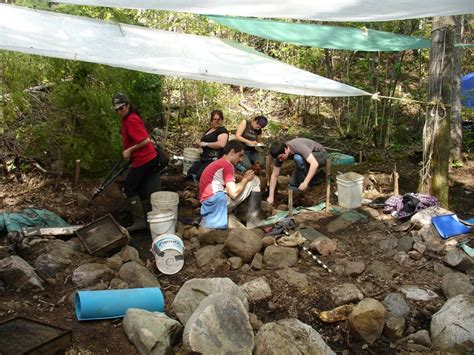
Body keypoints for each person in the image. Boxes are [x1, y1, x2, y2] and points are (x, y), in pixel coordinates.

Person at [112, 93, 161, 232]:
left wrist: (129, 150)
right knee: (140, 188)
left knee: (129, 187)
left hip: (145, 159)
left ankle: (140, 222)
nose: (119, 111)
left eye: (121, 108)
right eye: (117, 110)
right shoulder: (127, 119)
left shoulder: (132, 119)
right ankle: (146, 218)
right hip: (143, 158)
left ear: (127, 105)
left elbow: (146, 140)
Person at [199, 140, 262, 229]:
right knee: (255, 180)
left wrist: (241, 177)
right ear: (232, 152)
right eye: (240, 156)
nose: (241, 160)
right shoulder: (228, 165)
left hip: (207, 203)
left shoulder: (219, 162)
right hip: (217, 204)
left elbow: (229, 177)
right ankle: (253, 220)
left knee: (246, 181)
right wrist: (245, 179)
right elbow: (233, 194)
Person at [267, 138, 327, 205]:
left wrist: (305, 183)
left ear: (285, 149)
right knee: (292, 187)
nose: (280, 160)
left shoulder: (298, 146)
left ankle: (312, 182)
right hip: (306, 161)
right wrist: (270, 196)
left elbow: (314, 163)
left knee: (298, 158)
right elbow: (274, 175)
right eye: (279, 159)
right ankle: (315, 179)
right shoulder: (279, 155)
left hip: (321, 155)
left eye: (281, 157)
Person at [186, 110, 229, 181]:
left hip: (214, 159)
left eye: (218, 119)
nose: (216, 121)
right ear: (211, 120)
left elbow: (221, 144)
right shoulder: (209, 130)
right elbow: (204, 143)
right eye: (214, 119)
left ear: (222, 120)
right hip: (203, 159)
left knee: (200, 176)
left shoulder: (222, 131)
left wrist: (206, 144)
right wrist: (200, 144)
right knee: (190, 172)